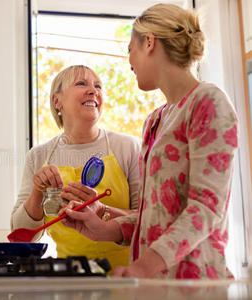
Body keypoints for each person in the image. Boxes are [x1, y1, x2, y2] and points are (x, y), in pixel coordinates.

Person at [60, 4, 238, 279]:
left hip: (196, 284)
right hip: (155, 285)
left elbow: (206, 209)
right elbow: (155, 214)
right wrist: (106, 226)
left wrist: (142, 267)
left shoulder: (208, 102)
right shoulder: (154, 120)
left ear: (150, 43)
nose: (128, 58)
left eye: (131, 48)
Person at [11, 65, 140, 270]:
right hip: (69, 279)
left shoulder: (128, 147)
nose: (93, 90)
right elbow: (20, 235)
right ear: (57, 101)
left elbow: (147, 221)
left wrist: (102, 211)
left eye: (98, 85)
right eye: (81, 83)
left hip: (125, 278)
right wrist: (37, 193)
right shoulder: (38, 156)